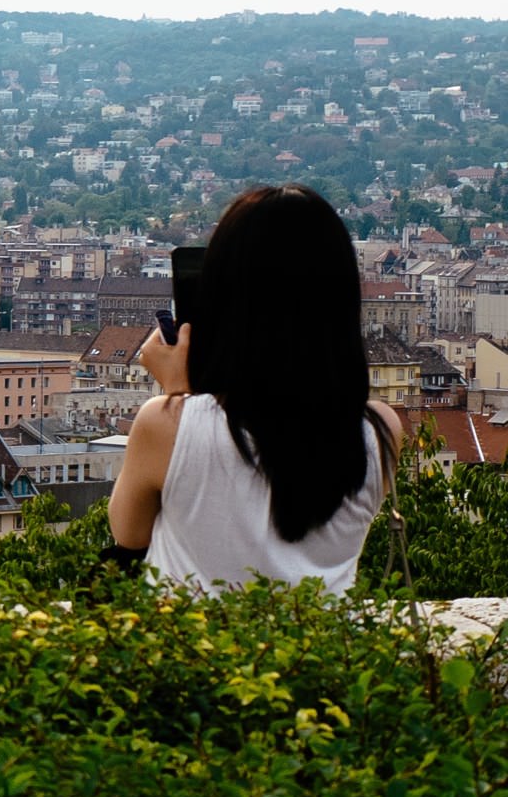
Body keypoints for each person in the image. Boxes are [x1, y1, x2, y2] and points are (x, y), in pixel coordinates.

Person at [108, 184, 401, 593]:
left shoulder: (164, 425)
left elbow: (128, 535)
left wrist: (178, 395)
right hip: (328, 650)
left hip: (202, 651)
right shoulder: (380, 429)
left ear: (222, 298)